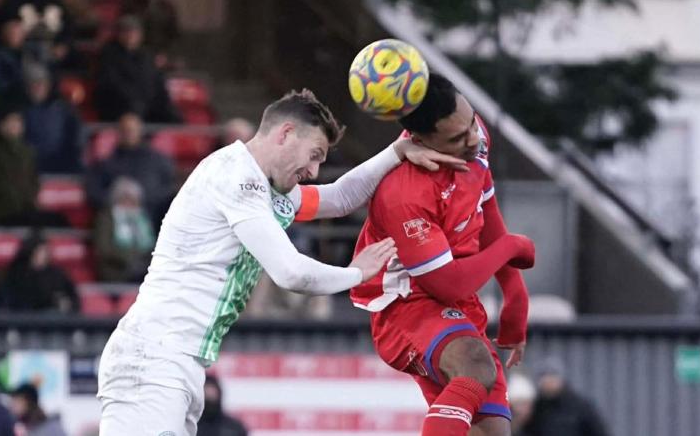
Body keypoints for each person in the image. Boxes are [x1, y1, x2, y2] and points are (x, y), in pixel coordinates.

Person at [97, 88, 466, 436]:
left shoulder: (259, 188)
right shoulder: (236, 179)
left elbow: (337, 197)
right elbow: (290, 272)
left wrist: (397, 151)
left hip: (176, 361)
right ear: (286, 133)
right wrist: (357, 273)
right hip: (152, 358)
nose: (314, 170)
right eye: (315, 154)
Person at [350, 73, 536, 436]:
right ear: (420, 140)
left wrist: (516, 293)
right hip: (404, 305)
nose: (473, 139)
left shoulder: (473, 132)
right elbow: (445, 284)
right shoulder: (404, 192)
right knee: (474, 366)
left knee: (493, 431)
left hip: (458, 302)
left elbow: (486, 209)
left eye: (470, 123)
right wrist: (511, 247)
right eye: (456, 138)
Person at [0, 105, 68, 227]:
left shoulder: (27, 151)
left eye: (18, 121)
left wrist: (28, 196)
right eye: (10, 121)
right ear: (1, 124)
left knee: (59, 220)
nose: (14, 125)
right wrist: (0, 192)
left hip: (24, 209)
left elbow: (34, 180)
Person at [85, 112, 176, 224]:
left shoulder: (157, 161)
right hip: (116, 218)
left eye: (131, 130)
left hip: (151, 215)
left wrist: (143, 198)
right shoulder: (107, 163)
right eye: (125, 130)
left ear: (140, 131)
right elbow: (94, 191)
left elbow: (169, 187)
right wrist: (116, 200)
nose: (128, 134)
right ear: (118, 132)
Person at [94, 15, 181, 123]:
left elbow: (158, 82)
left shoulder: (147, 55)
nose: (130, 35)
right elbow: (112, 83)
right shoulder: (109, 54)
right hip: (120, 106)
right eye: (125, 31)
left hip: (146, 103)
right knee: (135, 109)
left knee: (172, 116)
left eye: (133, 31)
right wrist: (137, 99)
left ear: (140, 35)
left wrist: (164, 102)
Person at [21, 62, 83, 173]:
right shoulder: (20, 111)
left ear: (48, 85)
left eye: (41, 84)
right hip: (29, 167)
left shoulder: (64, 110)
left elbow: (76, 140)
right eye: (33, 84)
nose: (37, 88)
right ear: (27, 87)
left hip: (61, 165)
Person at [522, 358, 609, 436]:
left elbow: (598, 431)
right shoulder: (536, 408)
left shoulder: (580, 406)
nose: (548, 383)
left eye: (552, 378)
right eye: (544, 379)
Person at [92, 177, 155, 282]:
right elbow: (104, 248)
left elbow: (151, 245)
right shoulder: (107, 218)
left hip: (144, 269)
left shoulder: (143, 218)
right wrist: (130, 259)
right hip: (116, 269)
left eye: (134, 200)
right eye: (126, 199)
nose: (130, 204)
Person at [2, 233, 79, 313]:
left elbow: (73, 299)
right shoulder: (17, 275)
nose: (44, 255)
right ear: (30, 252)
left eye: (46, 251)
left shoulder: (57, 274)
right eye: (40, 251)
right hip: (24, 318)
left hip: (54, 317)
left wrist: (66, 304)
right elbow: (10, 302)